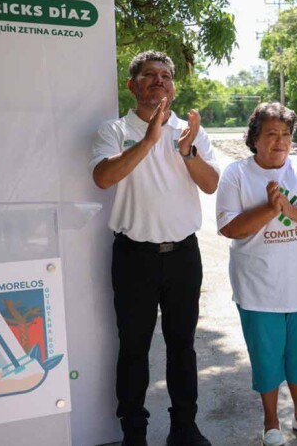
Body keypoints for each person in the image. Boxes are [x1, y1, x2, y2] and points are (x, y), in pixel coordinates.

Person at [90, 50, 220, 446]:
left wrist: (186, 150)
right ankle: (134, 431)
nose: (159, 80)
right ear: (132, 86)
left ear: (174, 86)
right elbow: (102, 177)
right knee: (133, 348)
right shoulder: (113, 130)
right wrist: (149, 139)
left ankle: (184, 427)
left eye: (165, 75)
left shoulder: (189, 131)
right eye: (149, 75)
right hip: (134, 257)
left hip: (183, 255)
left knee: (182, 346)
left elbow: (211, 183)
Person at [216, 103, 297, 446]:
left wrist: (287, 208)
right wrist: (268, 208)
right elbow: (230, 228)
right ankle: (270, 421)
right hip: (258, 288)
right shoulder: (236, 173)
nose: (279, 141)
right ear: (255, 139)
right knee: (266, 360)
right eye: (271, 134)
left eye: (285, 134)